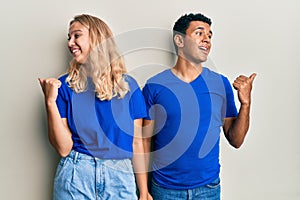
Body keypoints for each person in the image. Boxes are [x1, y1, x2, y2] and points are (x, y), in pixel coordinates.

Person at [142, 13, 256, 200]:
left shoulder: (220, 83)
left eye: (210, 36)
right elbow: (144, 142)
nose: (207, 40)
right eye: (199, 33)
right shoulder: (154, 86)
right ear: (179, 40)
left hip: (208, 188)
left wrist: (246, 103)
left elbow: (236, 140)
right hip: (164, 189)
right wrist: (144, 189)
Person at [38, 14, 152, 200]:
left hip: (120, 175)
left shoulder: (129, 87)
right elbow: (64, 149)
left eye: (76, 35)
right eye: (69, 37)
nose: (70, 43)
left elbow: (137, 143)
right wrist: (50, 102)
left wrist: (144, 191)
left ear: (97, 37)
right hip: (76, 173)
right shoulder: (64, 86)